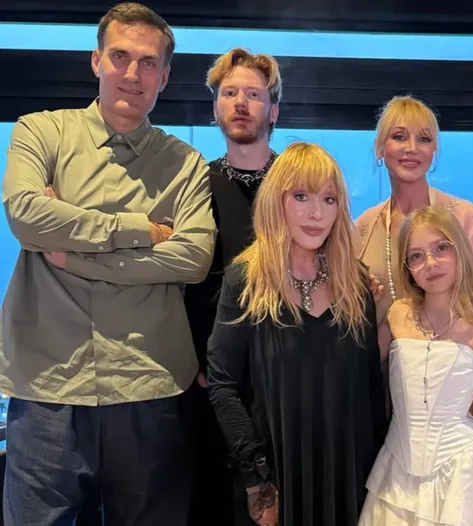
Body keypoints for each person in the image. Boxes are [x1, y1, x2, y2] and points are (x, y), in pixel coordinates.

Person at [0, 3, 216, 525]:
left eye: (148, 62)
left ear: (165, 77)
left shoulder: (184, 163)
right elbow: (25, 214)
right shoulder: (41, 132)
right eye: (120, 56)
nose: (132, 73)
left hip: (150, 388)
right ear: (96, 60)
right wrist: (140, 230)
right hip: (47, 388)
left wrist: (73, 255)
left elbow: (192, 257)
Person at [206, 142, 387, 526]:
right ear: (277, 201)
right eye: (301, 196)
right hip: (275, 481)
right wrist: (257, 482)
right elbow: (223, 386)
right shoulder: (246, 280)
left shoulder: (356, 284)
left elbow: (371, 392)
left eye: (329, 199)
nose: (316, 213)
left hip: (350, 480)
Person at [358, 206, 473, 526]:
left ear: (460, 251)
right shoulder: (397, 315)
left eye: (441, 248)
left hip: (462, 475)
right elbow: (355, 369)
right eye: (416, 256)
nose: (430, 263)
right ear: (407, 268)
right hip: (395, 475)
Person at [184, 46, 282, 526]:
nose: (241, 103)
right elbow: (181, 283)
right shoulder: (195, 186)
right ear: (215, 107)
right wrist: (195, 361)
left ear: (273, 110)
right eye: (230, 93)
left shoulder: (296, 186)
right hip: (212, 379)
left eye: (254, 94)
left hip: (283, 380)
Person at [356, 95, 473, 327]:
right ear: (379, 148)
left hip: (453, 349)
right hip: (376, 350)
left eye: (424, 139)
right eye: (399, 137)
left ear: (433, 150)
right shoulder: (364, 226)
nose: (412, 148)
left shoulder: (463, 216)